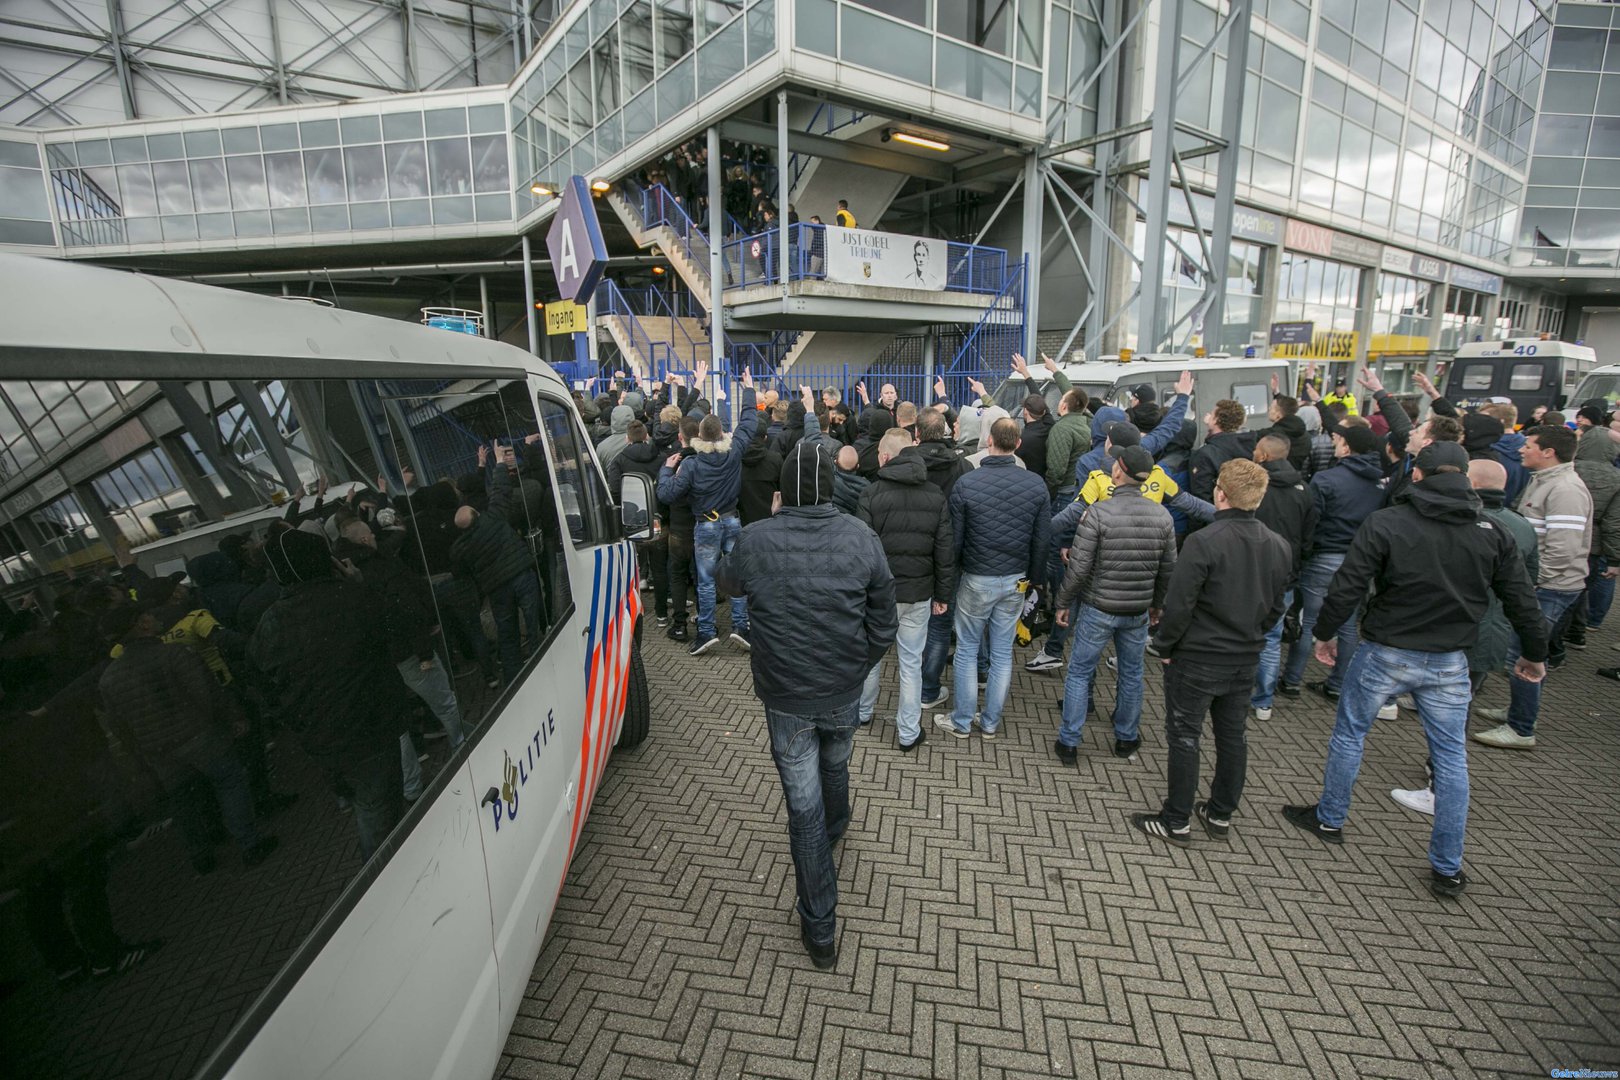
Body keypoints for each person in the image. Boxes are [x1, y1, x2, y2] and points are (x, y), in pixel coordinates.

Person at [1282, 443, 1547, 899]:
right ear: (1465, 477)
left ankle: (1330, 818)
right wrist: (1535, 653)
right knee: (1450, 759)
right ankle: (1447, 867)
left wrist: (1325, 633)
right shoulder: (1493, 532)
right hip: (1449, 661)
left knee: (1350, 734)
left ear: (1418, 476)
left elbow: (1348, 583)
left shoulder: (1387, 522)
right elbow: (1522, 599)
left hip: (1387, 650)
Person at [717, 439, 897, 969]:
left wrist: (765, 524)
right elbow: (883, 617)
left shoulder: (756, 539)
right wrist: (859, 665)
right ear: (830, 488)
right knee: (836, 760)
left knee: (804, 808)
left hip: (787, 691)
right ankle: (835, 828)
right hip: (841, 687)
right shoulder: (860, 536)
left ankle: (821, 925)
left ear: (782, 492)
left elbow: (727, 583)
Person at [1132, 460, 1291, 845]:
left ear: (1220, 493)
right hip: (1244, 657)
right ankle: (1220, 813)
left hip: (1197, 657)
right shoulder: (1279, 545)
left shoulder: (1204, 542)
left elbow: (1180, 603)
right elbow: (1276, 607)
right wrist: (1254, 634)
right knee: (1232, 735)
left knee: (1186, 735)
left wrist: (1165, 646)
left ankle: (1177, 819)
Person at [250, 528, 409, 860]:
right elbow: (398, 634)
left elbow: (264, 685)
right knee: (376, 807)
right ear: (325, 561)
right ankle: (381, 877)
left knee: (363, 800)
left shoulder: (270, 623)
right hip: (368, 726)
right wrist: (361, 584)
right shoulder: (351, 599)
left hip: (320, 736)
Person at [1392, 458, 1538, 815]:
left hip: (1451, 632)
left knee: (1450, 729)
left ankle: (1439, 788)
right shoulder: (1520, 527)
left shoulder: (1463, 524)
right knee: (1460, 710)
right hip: (1486, 634)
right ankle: (1439, 779)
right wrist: (1535, 649)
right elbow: (1527, 590)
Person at [99, 603, 279, 872]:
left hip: (158, 750)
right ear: (141, 624)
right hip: (197, 735)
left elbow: (119, 726)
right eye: (148, 614)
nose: (155, 616)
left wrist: (141, 756)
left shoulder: (109, 679)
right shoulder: (174, 654)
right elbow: (205, 692)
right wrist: (232, 718)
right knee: (229, 781)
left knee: (183, 800)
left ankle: (201, 855)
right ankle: (249, 844)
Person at [1050, 445, 1176, 762]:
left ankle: (1069, 742)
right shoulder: (1162, 516)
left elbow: (1078, 568)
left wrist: (1063, 601)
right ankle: (1126, 737)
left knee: (1079, 672)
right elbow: (1168, 569)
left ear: (1118, 471)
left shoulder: (1098, 513)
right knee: (1132, 674)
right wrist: (1157, 605)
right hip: (1137, 611)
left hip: (1097, 608)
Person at [1472, 425, 1592, 750]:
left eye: (1529, 445)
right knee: (1520, 650)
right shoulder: (1546, 482)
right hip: (1542, 583)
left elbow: (1563, 550)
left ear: (1549, 452)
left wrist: (1526, 584)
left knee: (1524, 652)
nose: (1522, 449)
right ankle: (1517, 710)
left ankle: (1522, 727)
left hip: (1551, 587)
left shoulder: (1565, 490)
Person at [938, 418, 1051, 739]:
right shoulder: (1036, 485)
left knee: (968, 649)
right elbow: (1043, 540)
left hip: (976, 578)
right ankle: (989, 722)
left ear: (989, 441)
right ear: (1017, 444)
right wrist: (1037, 582)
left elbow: (955, 540)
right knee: (1002, 652)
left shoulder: (967, 483)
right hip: (1016, 580)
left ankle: (961, 721)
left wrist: (950, 580)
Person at [857, 429, 955, 749]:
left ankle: (863, 711)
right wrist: (942, 595)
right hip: (919, 593)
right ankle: (908, 732)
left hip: (880, 595)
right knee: (911, 664)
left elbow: (862, 552)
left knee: (871, 657)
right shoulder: (935, 495)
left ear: (884, 457)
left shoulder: (870, 495)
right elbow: (944, 550)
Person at [1279, 424, 1386, 700]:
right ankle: (1337, 683)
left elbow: (1311, 522)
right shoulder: (1380, 483)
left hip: (1324, 557)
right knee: (1348, 624)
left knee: (1310, 620)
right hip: (1358, 561)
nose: (1335, 443)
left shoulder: (1326, 480)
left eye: (1338, 440)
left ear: (1347, 447)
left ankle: (1291, 680)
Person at [658, 369, 759, 655]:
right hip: (731, 520)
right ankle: (741, 627)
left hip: (705, 524)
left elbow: (667, 494)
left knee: (705, 580)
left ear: (699, 435)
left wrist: (666, 471)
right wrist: (748, 389)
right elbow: (749, 423)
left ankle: (706, 631)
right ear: (722, 433)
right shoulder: (734, 451)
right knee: (736, 576)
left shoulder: (691, 464)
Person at [452, 444, 543, 685]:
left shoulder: (461, 547)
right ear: (476, 515)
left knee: (507, 632)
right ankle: (541, 660)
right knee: (533, 620)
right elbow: (501, 491)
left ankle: (514, 677)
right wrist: (499, 462)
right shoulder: (493, 518)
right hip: (520, 575)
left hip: (497, 589)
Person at [1248, 434, 1317, 721]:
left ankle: (1235, 693)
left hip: (1251, 574)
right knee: (1272, 637)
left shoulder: (1255, 488)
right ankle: (1263, 701)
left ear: (1263, 456)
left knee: (1241, 633)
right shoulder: (1305, 490)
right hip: (1285, 576)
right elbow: (1310, 536)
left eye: (1256, 450)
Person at [1547, 413, 1620, 653]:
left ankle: (1551, 647)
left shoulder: (1566, 470)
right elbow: (1613, 523)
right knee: (1578, 592)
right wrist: (1614, 558)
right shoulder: (1617, 479)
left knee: (1554, 593)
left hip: (1558, 537)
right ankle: (1569, 639)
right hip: (1593, 544)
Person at [1186, 399, 1256, 506]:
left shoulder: (1205, 454)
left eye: (1212, 414)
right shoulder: (1250, 445)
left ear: (1216, 420)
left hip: (1217, 515)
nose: (1208, 415)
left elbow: (1201, 498)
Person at [739, 425, 783, 526]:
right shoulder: (775, 460)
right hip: (770, 520)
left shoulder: (736, 460)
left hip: (744, 522)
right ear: (765, 438)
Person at [1015, 394, 1054, 479]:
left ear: (1025, 411)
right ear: (1044, 412)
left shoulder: (1021, 439)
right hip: (1043, 481)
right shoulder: (1050, 427)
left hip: (1025, 481)